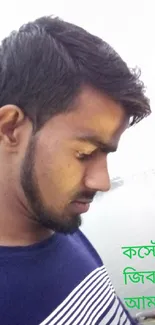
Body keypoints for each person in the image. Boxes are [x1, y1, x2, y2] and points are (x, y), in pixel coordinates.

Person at [0, 15, 150, 325]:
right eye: (85, 153)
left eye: (106, 154)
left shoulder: (58, 221)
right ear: (10, 128)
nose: (102, 181)